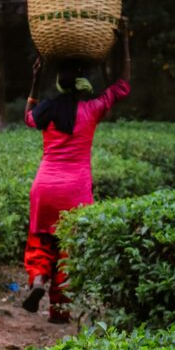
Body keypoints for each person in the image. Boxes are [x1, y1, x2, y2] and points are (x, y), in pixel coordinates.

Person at [21, 20, 132, 323]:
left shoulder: (46, 110)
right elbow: (122, 85)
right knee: (69, 249)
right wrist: (123, 45)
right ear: (83, 84)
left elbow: (27, 116)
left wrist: (35, 79)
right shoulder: (92, 109)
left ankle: (39, 280)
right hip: (75, 192)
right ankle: (60, 310)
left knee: (42, 240)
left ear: (58, 82)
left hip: (44, 188)